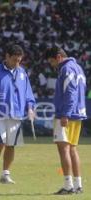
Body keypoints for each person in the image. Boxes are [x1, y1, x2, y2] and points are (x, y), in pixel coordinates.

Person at [0, 44, 35, 185]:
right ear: (7, 56)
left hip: (16, 114)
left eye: (19, 60)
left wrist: (30, 108)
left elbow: (28, 93)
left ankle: (5, 174)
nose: (17, 63)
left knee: (11, 145)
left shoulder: (23, 73)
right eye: (14, 60)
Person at [45, 46, 87, 195]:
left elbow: (70, 92)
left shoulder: (66, 69)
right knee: (73, 149)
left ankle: (68, 186)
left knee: (64, 150)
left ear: (58, 57)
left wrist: (65, 114)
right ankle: (78, 185)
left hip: (67, 114)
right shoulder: (78, 68)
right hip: (78, 113)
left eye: (52, 61)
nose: (52, 65)